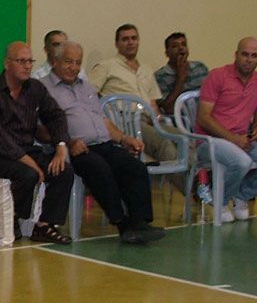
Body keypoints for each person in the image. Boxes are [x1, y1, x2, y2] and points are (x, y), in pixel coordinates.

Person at [43, 43, 165, 245]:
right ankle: (122, 224)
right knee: (99, 168)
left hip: (103, 143)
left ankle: (139, 222)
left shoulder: (86, 86)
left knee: (134, 167)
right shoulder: (43, 88)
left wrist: (124, 138)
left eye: (78, 63)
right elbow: (41, 128)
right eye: (68, 62)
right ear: (55, 61)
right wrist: (67, 142)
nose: (74, 67)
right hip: (74, 148)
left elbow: (104, 120)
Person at [0, 41, 76, 244]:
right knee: (28, 174)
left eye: (30, 61)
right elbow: (0, 139)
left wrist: (61, 146)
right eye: (21, 61)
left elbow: (55, 115)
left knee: (63, 170)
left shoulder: (35, 88)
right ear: (7, 64)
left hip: (27, 149)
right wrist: (31, 163)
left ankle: (45, 225)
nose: (27, 66)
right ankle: (13, 217)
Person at [196, 37, 257, 222]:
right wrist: (233, 139)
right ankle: (220, 201)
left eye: (254, 56)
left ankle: (241, 195)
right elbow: (203, 118)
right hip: (210, 140)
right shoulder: (217, 76)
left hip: (244, 138)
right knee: (241, 161)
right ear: (236, 55)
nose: (249, 60)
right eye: (245, 54)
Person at [88, 24, 176, 162]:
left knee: (186, 139)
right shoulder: (106, 66)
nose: (130, 42)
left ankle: (195, 176)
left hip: (149, 121)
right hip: (126, 122)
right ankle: (177, 177)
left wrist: (158, 121)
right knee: (164, 144)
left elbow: (153, 102)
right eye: (125, 39)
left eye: (134, 38)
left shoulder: (146, 70)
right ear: (117, 44)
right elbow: (87, 95)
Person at [154, 32, 209, 115]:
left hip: (205, 116)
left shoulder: (200, 67)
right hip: (179, 120)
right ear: (167, 53)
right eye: (175, 46)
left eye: (184, 44)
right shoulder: (159, 76)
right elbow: (168, 109)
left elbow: (212, 96)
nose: (181, 48)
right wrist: (180, 79)